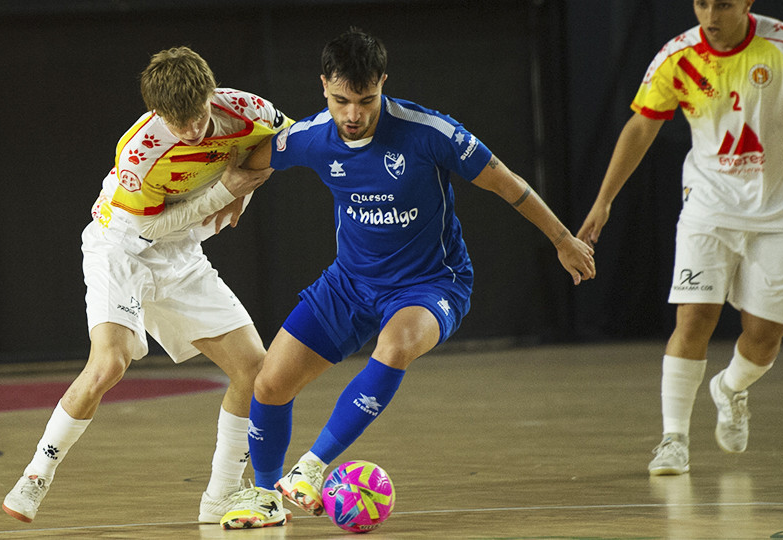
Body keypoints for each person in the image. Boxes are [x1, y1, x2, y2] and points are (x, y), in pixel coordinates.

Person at [214, 27, 596, 529]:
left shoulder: (428, 132)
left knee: (394, 347)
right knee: (269, 383)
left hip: (432, 283)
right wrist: (236, 191)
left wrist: (563, 238)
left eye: (366, 101)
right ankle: (265, 497)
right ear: (323, 86)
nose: (353, 115)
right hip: (349, 284)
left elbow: (508, 182)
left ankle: (310, 468)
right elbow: (250, 159)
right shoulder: (311, 137)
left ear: (383, 84)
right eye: (341, 101)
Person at [577, 0, 783, 476]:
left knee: (764, 339)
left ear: (747, 3)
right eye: (702, 4)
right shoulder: (678, 57)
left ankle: (731, 388)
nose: (711, 15)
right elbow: (642, 125)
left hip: (780, 214)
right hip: (708, 208)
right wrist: (604, 199)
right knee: (693, 319)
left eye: (724, 4)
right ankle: (673, 438)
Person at [1, 46, 294, 523]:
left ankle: (220, 495)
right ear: (157, 113)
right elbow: (148, 230)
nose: (191, 132)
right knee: (109, 365)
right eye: (177, 124)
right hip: (122, 245)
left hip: (182, 253)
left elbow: (288, 142)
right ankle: (36, 474)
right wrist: (227, 190)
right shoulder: (140, 152)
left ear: (210, 95)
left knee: (255, 370)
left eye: (198, 118)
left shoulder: (248, 110)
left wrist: (252, 183)